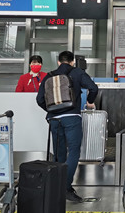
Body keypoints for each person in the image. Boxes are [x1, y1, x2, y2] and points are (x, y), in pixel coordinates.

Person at [36, 51, 98, 203]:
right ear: (72, 62)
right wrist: (90, 101)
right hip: (72, 117)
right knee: (74, 151)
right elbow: (93, 88)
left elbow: (39, 99)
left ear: (58, 62)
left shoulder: (49, 76)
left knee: (59, 154)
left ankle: (57, 187)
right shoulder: (77, 72)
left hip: (54, 119)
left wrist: (51, 110)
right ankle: (66, 187)